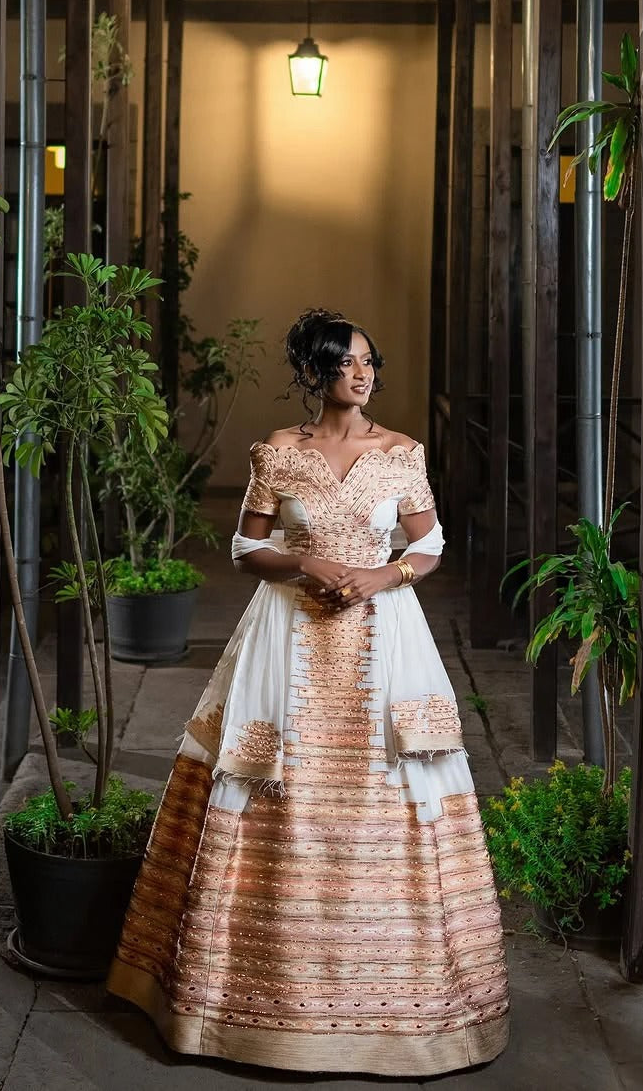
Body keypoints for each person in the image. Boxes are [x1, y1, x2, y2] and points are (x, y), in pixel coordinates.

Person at [107, 308, 509, 1075]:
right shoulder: (280, 453)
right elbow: (244, 543)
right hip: (286, 636)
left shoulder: (401, 454)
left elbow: (428, 543)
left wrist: (382, 574)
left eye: (369, 361)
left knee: (393, 784)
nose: (362, 374)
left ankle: (406, 1013)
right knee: (263, 779)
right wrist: (307, 566)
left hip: (384, 638)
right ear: (317, 373)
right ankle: (237, 1010)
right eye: (346, 363)